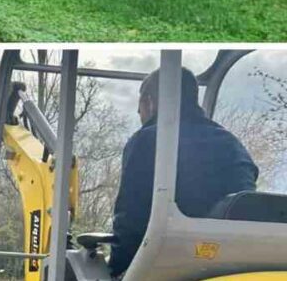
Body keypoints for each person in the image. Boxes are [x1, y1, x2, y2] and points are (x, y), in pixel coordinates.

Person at [108, 67, 258, 278]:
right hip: (231, 265)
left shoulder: (149, 141)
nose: (138, 113)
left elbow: (131, 216)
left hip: (165, 265)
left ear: (150, 102)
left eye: (139, 105)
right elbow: (245, 207)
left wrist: (116, 267)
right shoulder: (233, 145)